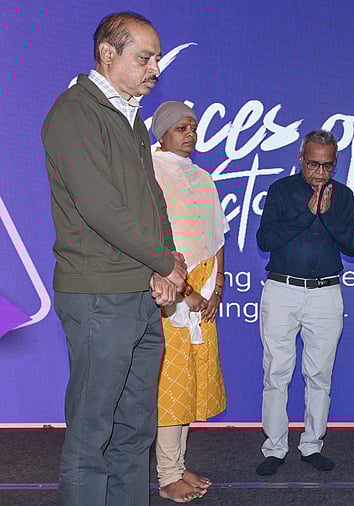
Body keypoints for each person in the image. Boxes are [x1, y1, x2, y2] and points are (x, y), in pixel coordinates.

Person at [41, 12, 188, 505]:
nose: (155, 69)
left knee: (134, 433)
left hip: (139, 293)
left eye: (157, 59)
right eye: (144, 58)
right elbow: (100, 208)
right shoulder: (74, 113)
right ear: (108, 53)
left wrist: (164, 263)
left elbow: (151, 200)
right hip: (98, 295)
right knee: (92, 437)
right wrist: (163, 264)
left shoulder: (130, 117)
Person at [255, 129, 354, 476]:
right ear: (301, 159)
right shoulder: (281, 190)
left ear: (335, 163)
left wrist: (327, 215)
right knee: (276, 372)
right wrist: (308, 213)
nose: (319, 172)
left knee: (319, 374)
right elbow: (265, 239)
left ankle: (312, 444)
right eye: (313, 164)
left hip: (326, 293)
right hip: (282, 289)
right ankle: (274, 448)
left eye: (327, 166)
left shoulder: (343, 196)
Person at [150, 101, 229, 503]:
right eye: (181, 128)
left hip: (204, 290)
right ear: (162, 133)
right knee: (171, 383)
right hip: (171, 292)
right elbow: (155, 241)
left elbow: (217, 237)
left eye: (193, 127)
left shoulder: (202, 177)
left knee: (189, 383)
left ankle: (178, 467)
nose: (190, 134)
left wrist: (217, 288)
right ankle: (167, 475)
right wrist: (186, 291)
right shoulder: (150, 171)